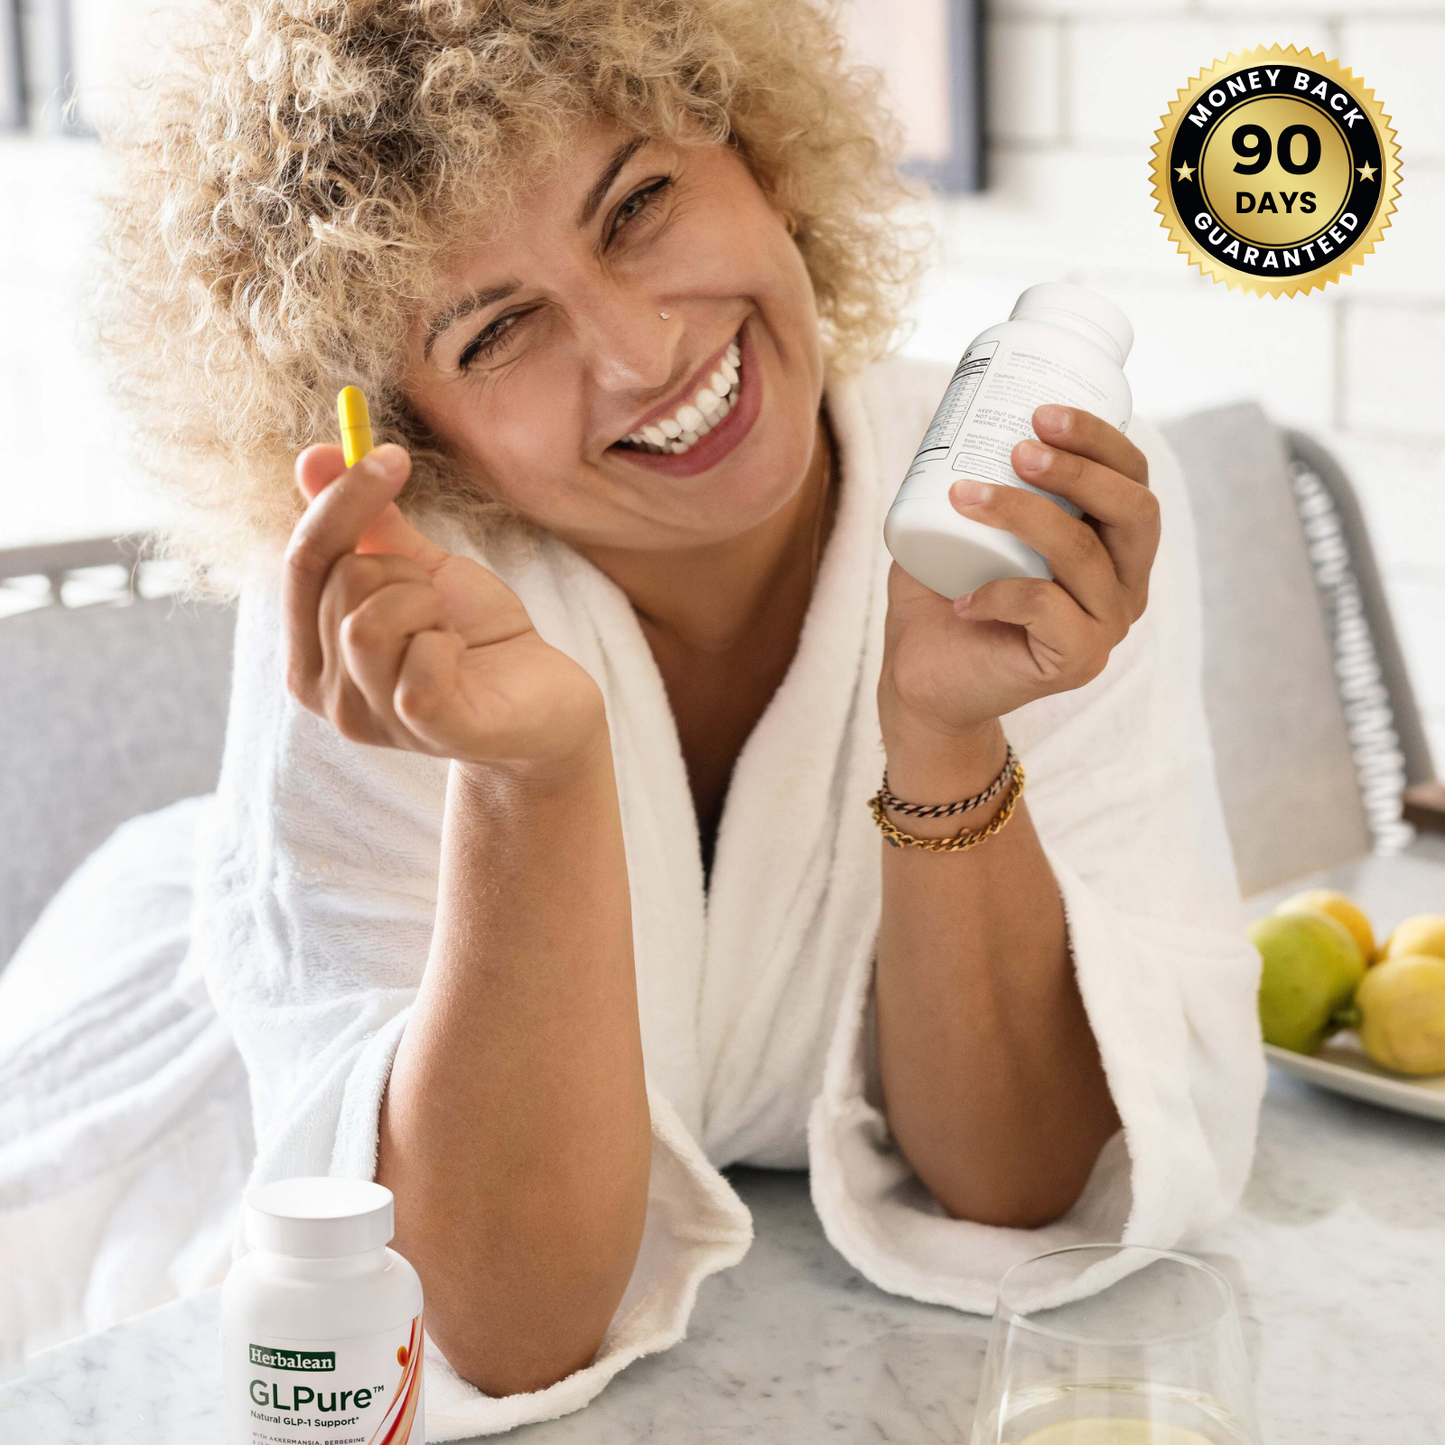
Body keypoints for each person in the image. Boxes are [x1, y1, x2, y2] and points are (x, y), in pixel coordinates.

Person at [0, 0, 1263, 1429]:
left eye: (641, 206)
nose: (640, 350)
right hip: (191, 1067)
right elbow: (497, 1321)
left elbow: (1021, 1190)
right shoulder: (400, 609)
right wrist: (529, 782)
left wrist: (947, 734)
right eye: (496, 333)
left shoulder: (1014, 503)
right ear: (408, 434)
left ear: (762, 156)